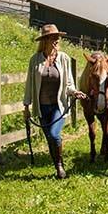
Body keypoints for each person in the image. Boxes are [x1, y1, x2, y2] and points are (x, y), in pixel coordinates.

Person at [23, 23, 86, 179]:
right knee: (50, 138)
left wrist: (74, 92)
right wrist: (26, 105)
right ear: (45, 40)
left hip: (59, 105)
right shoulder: (35, 60)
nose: (57, 40)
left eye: (58, 37)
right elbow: (29, 84)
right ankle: (58, 165)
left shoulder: (64, 58)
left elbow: (69, 82)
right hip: (42, 106)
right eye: (53, 37)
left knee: (54, 134)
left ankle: (59, 166)